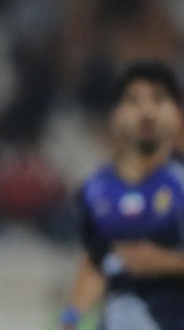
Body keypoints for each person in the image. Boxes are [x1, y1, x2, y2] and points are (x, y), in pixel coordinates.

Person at [63, 60, 184, 330]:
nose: (147, 111)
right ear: (115, 116)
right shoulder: (94, 191)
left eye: (159, 99)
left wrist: (166, 263)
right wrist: (71, 317)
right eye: (134, 101)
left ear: (177, 115)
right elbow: (97, 261)